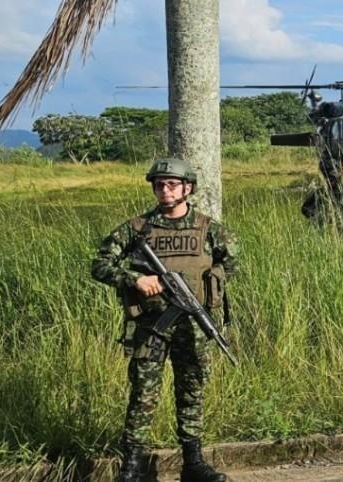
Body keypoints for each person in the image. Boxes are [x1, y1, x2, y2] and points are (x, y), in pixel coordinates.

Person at [91, 158, 238, 481]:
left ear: (187, 188)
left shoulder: (210, 229)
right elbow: (100, 265)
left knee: (191, 390)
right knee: (143, 394)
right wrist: (134, 280)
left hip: (193, 326)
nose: (164, 189)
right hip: (151, 326)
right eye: (159, 184)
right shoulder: (136, 228)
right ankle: (130, 468)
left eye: (172, 184)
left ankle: (193, 463)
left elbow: (230, 265)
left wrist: (206, 284)